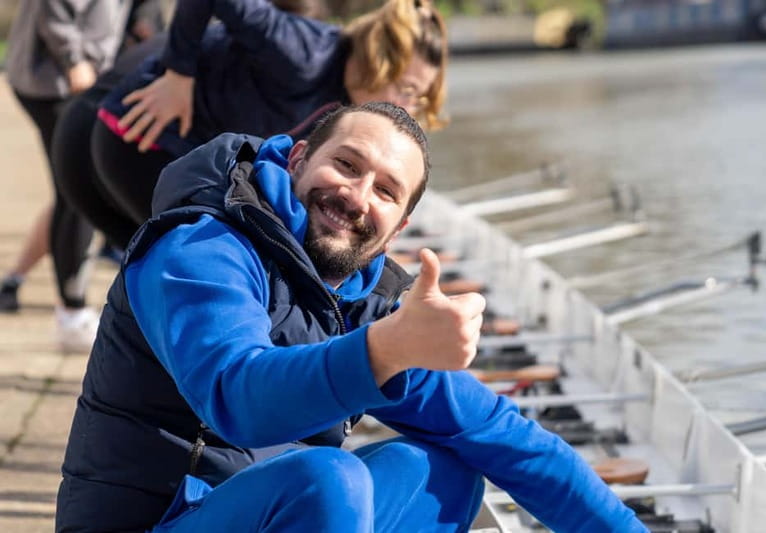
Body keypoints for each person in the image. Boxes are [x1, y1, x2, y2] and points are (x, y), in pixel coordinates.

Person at [56, 102, 647, 532]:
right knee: (328, 481)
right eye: (346, 164)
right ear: (298, 158)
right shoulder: (200, 248)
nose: (358, 195)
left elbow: (507, 439)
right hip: (145, 522)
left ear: (400, 228)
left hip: (241, 515)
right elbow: (236, 396)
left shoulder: (366, 307)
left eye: (387, 191)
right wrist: (386, 351)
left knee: (442, 472)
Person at [59, 0, 446, 251]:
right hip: (135, 142)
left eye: (419, 98)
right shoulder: (303, 52)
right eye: (408, 89)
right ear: (380, 58)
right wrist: (180, 73)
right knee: (207, 260)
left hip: (155, 152)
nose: (407, 107)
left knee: (161, 276)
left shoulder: (348, 108)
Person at [0, 0, 163, 351]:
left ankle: (16, 279)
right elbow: (53, 8)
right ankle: (71, 314)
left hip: (96, 71)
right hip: (55, 78)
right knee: (76, 191)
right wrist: (74, 61)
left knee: (70, 192)